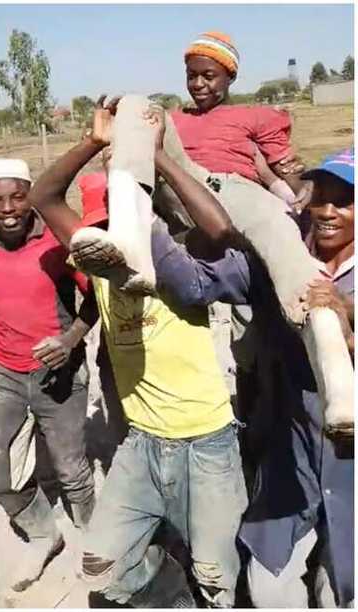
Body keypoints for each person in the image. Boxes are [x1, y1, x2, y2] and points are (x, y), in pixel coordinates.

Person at [68, 33, 353, 437]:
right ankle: (130, 239)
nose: (199, 84)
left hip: (241, 192)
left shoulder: (257, 117)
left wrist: (300, 189)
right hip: (189, 184)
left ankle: (335, 375)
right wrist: (134, 130)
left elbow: (292, 177)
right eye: (192, 76)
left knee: (282, 244)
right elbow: (166, 162)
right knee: (137, 105)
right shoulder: (176, 119)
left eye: (209, 76)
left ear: (229, 77)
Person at [29, 105, 246, 607]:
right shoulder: (97, 260)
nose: (109, 230)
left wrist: (160, 157)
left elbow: (222, 234)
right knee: (102, 568)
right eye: (100, 221)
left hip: (205, 445)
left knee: (215, 577)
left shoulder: (175, 262)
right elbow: (43, 196)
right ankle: (171, 592)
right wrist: (91, 141)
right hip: (142, 446)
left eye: (118, 217)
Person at [150, 149, 354, 607]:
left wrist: (349, 323)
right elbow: (192, 284)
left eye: (344, 201)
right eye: (321, 196)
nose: (326, 211)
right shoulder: (279, 258)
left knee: (340, 584)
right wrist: (146, 208)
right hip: (291, 460)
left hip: (349, 473)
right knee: (268, 586)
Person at [0, 160, 97, 591]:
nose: (8, 208)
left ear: (31, 196)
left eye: (17, 197)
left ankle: (91, 534)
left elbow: (95, 302)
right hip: (6, 373)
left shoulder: (56, 243)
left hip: (59, 375)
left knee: (71, 469)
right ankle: (44, 534)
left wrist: (69, 342)